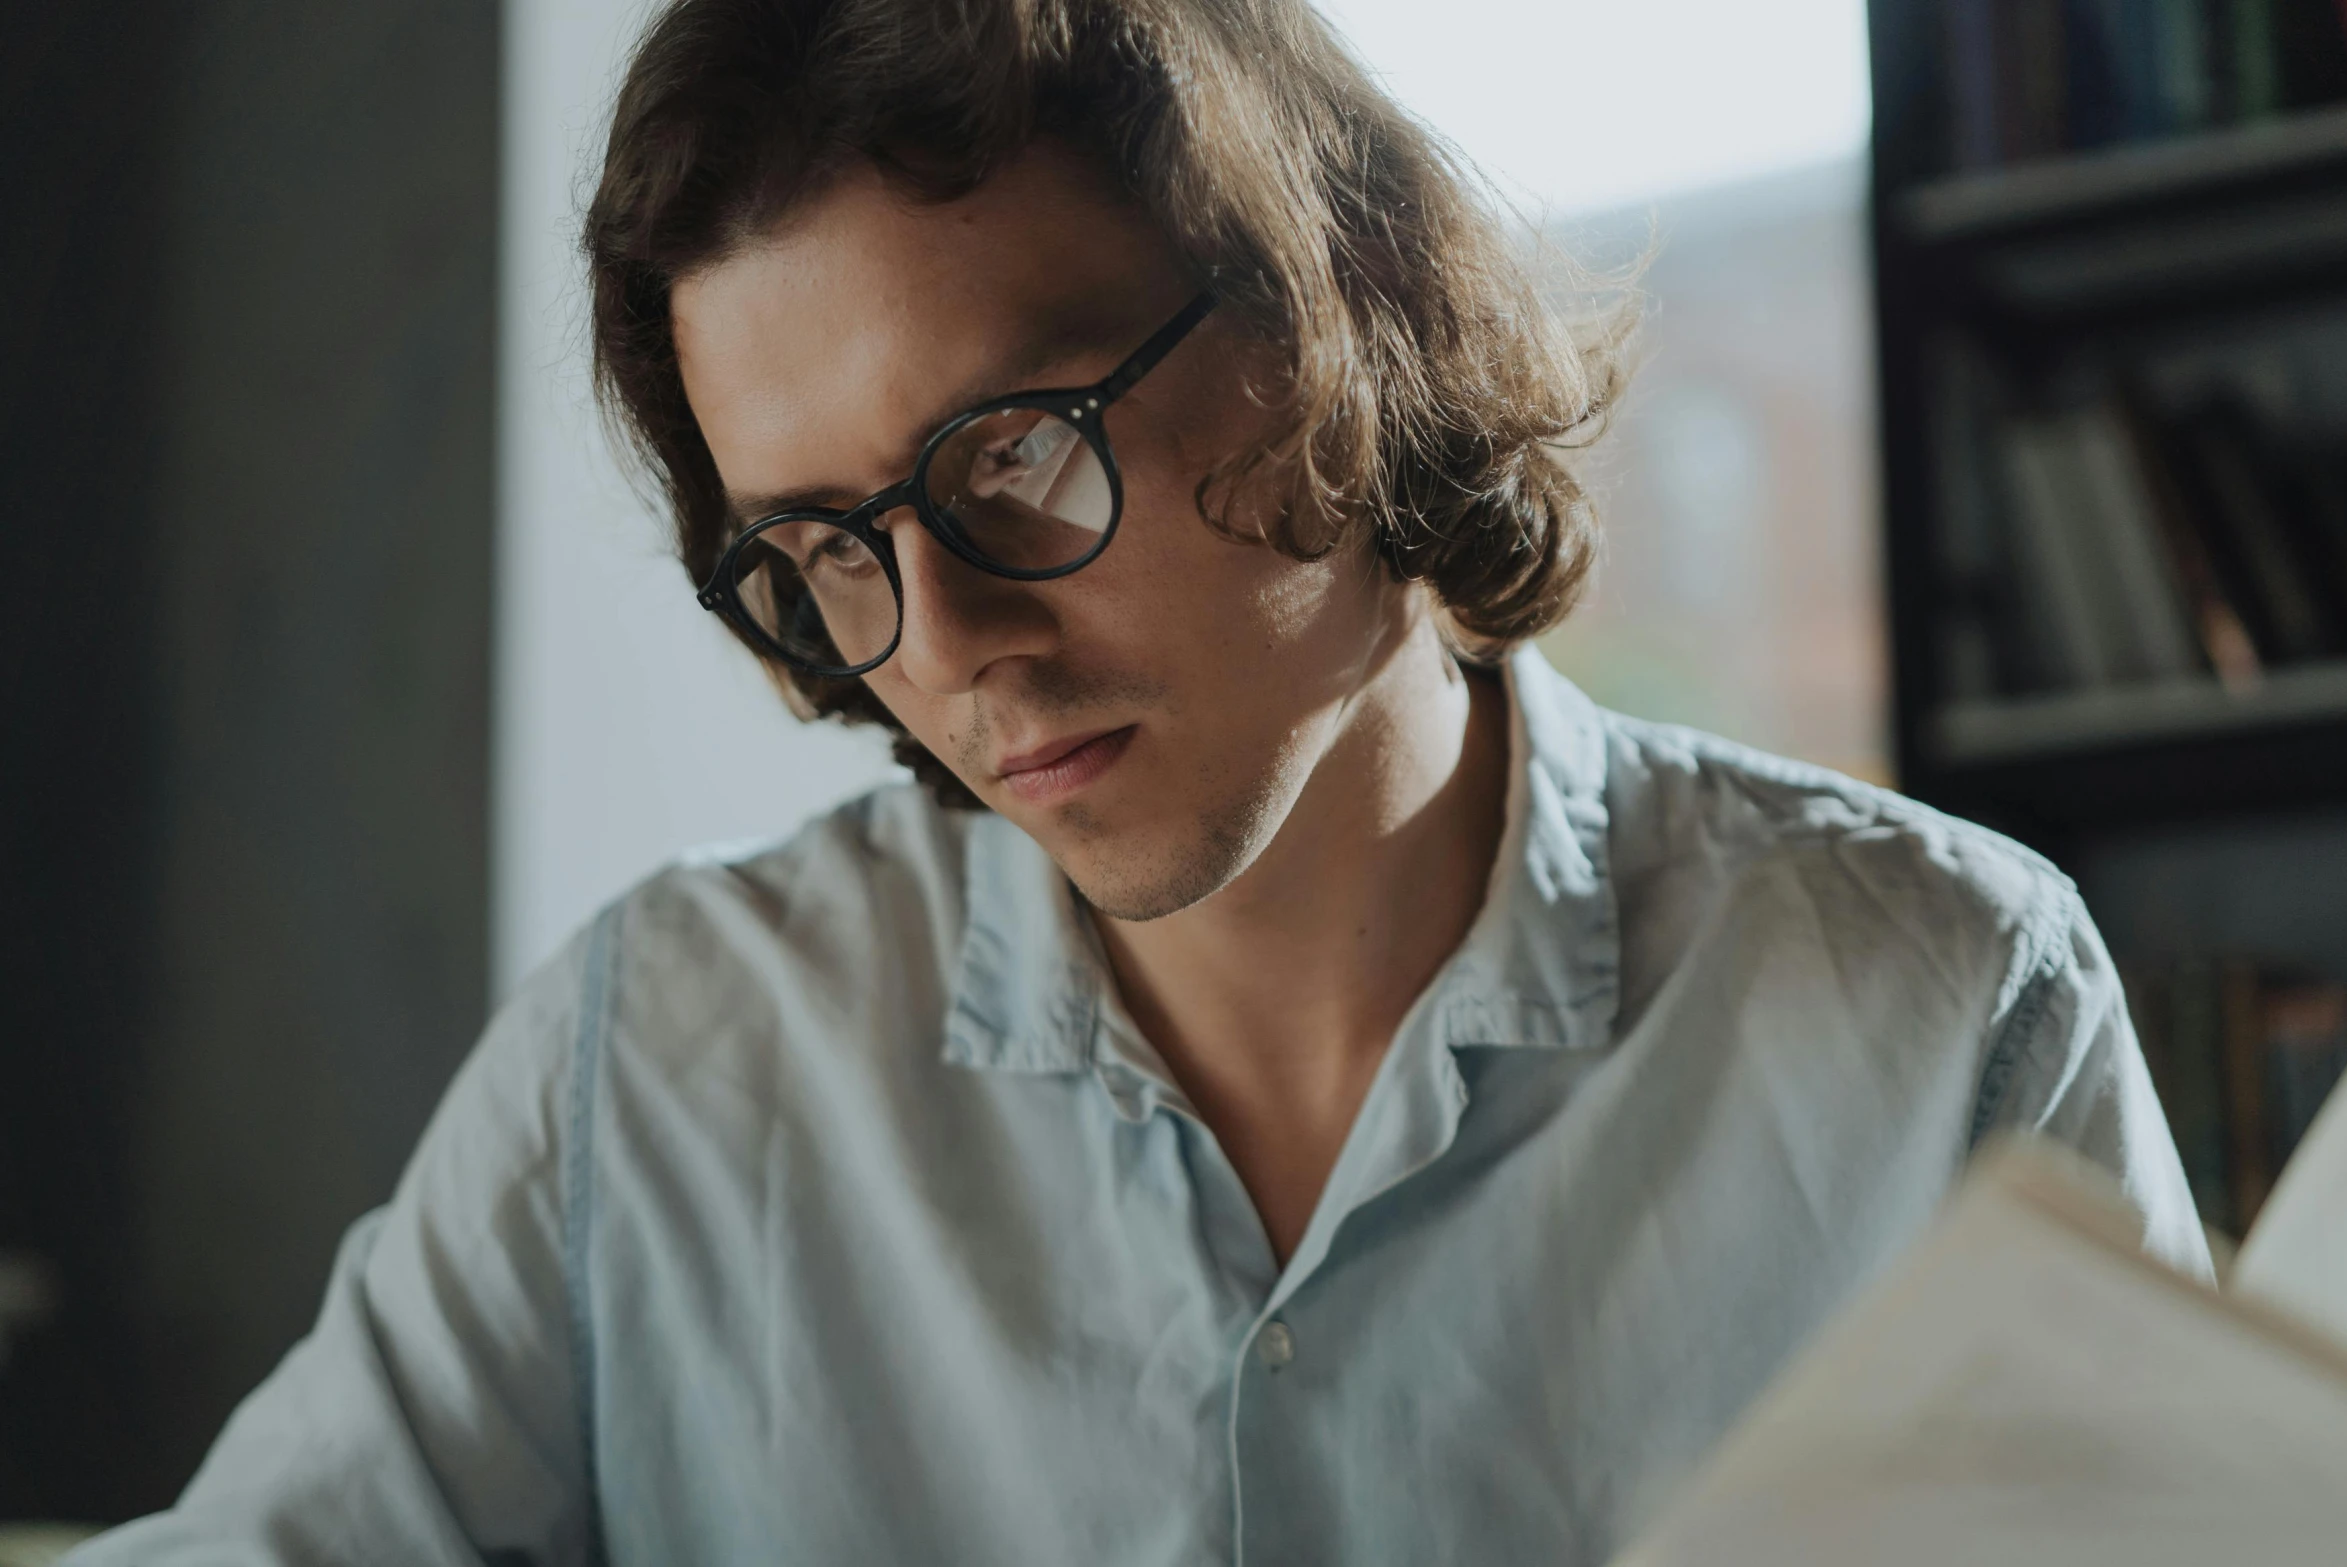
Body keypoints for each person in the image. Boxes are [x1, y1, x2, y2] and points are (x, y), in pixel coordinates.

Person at [69, 0, 2206, 1562]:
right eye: (821, 548)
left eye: (1007, 451)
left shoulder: (1945, 1001)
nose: (946, 644)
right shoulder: (657, 1063)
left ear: (1339, 309)